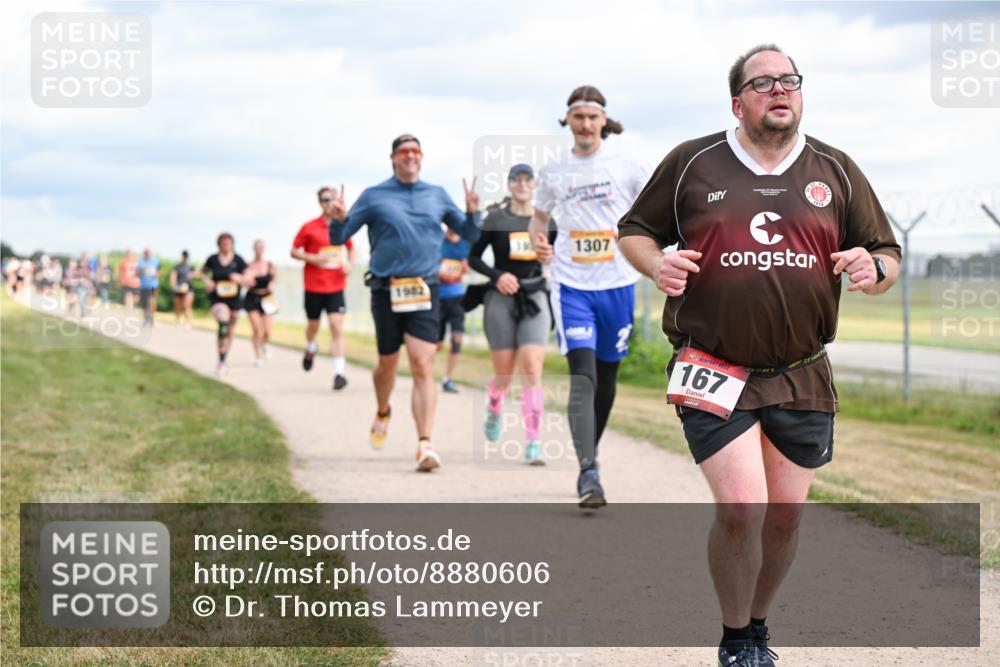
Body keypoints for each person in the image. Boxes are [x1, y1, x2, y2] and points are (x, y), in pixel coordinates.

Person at [618, 44, 901, 667]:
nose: (780, 89)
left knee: (785, 517)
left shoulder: (836, 170)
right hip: (712, 363)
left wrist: (872, 266)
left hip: (802, 370)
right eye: (764, 82)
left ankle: (759, 625)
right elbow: (634, 230)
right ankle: (735, 639)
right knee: (744, 505)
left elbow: (886, 257)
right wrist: (657, 263)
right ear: (737, 101)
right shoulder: (694, 162)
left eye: (790, 80)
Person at [327, 133, 481, 471]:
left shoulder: (437, 195)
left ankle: (425, 443)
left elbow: (470, 235)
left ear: (421, 157)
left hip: (426, 289)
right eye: (404, 152)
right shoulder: (374, 196)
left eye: (416, 151)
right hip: (386, 290)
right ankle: (383, 409)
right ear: (393, 158)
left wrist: (474, 214)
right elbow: (339, 238)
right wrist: (338, 220)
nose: (410, 156)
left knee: (423, 363)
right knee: (387, 366)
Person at [529, 86, 650, 508]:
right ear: (568, 121)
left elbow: (650, 209)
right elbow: (539, 217)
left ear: (603, 121)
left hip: (617, 283)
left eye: (591, 117)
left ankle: (589, 455)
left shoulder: (627, 163)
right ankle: (588, 471)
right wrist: (539, 243)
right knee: (583, 376)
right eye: (577, 117)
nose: (584, 125)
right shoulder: (554, 170)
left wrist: (647, 243)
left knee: (607, 377)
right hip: (571, 285)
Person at [469, 163, 555, 466]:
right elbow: (473, 258)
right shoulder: (496, 218)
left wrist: (550, 260)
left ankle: (533, 442)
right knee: (504, 374)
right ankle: (495, 404)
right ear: (509, 185)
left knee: (531, 369)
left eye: (527, 180)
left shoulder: (545, 220)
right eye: (516, 180)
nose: (522, 184)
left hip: (534, 297)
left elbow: (557, 259)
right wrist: (497, 276)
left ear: (534, 185)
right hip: (501, 298)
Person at [291, 187, 355, 390]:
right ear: (320, 202)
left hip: (336, 285)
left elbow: (351, 248)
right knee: (313, 327)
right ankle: (311, 346)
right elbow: (294, 251)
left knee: (337, 327)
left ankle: (339, 373)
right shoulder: (309, 227)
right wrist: (313, 258)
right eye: (325, 200)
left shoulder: (341, 225)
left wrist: (350, 264)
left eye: (332, 199)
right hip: (314, 285)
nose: (329, 204)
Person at [202, 233, 248, 375]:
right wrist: (207, 281)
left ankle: (223, 359)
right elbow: (203, 272)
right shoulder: (213, 259)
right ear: (219, 244)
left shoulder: (239, 260)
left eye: (228, 243)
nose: (226, 245)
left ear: (232, 244)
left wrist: (240, 278)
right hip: (218, 298)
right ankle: (221, 360)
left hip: (234, 300)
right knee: (223, 322)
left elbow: (247, 277)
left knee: (229, 331)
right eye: (223, 243)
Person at [436, 227, 470, 393]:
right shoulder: (437, 241)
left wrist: (466, 268)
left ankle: (448, 379)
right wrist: (439, 273)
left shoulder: (465, 244)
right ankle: (425, 374)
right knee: (436, 344)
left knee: (457, 340)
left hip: (457, 297)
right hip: (438, 298)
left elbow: (470, 266)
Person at [244, 239, 278, 367]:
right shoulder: (248, 265)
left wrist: (272, 284)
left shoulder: (270, 264)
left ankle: (264, 344)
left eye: (261, 247)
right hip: (252, 297)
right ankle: (257, 356)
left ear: (264, 248)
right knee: (256, 328)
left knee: (268, 330)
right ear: (254, 248)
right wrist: (247, 280)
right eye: (257, 246)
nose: (259, 249)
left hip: (267, 298)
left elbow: (275, 279)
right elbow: (245, 279)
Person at [169, 250, 196, 328]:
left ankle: (188, 322)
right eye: (184, 256)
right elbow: (173, 276)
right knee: (177, 306)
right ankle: (177, 320)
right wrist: (173, 286)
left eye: (186, 257)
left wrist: (193, 275)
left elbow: (198, 274)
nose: (185, 258)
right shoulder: (177, 266)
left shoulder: (191, 267)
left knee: (187, 306)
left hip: (188, 288)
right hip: (178, 288)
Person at [135, 248, 160, 327]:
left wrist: (155, 274)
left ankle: (152, 316)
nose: (148, 255)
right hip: (143, 285)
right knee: (145, 303)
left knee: (152, 301)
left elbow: (159, 273)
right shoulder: (141, 262)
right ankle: (146, 319)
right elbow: (137, 274)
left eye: (149, 253)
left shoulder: (155, 261)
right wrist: (142, 271)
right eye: (146, 253)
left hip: (153, 285)